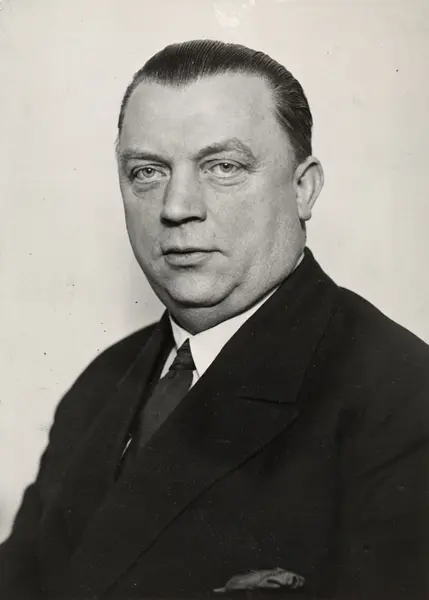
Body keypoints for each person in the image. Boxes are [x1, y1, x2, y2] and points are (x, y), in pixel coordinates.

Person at [1, 39, 428, 600]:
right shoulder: (100, 385)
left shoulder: (403, 400)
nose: (177, 207)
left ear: (303, 189)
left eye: (223, 167)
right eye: (148, 171)